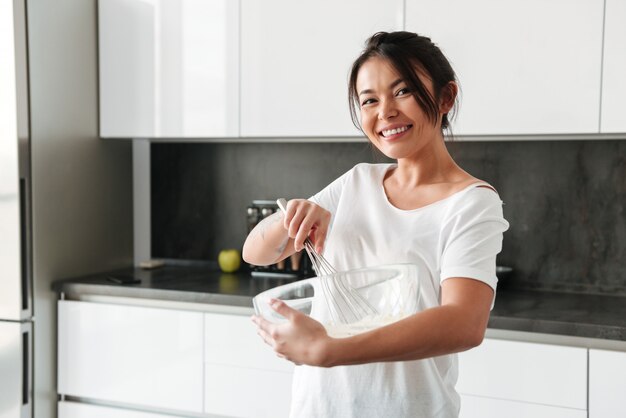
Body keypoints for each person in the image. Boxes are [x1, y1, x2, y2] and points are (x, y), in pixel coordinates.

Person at [243, 31, 509, 418]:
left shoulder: (472, 203)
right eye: (369, 100)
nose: (384, 112)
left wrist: (330, 351)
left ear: (445, 97)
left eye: (403, 91)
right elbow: (257, 252)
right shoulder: (356, 183)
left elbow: (464, 324)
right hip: (319, 408)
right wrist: (292, 219)